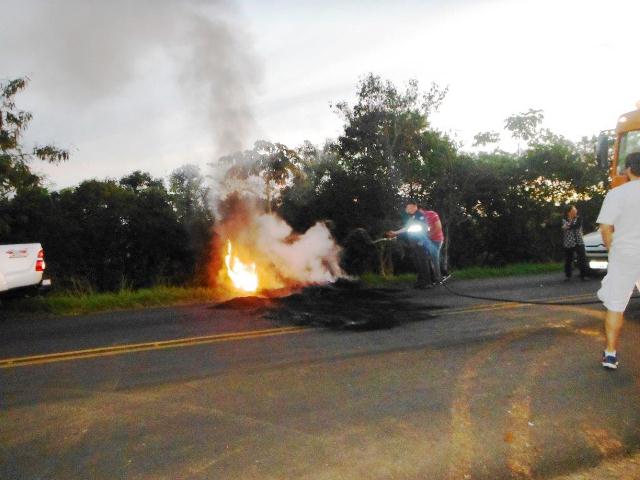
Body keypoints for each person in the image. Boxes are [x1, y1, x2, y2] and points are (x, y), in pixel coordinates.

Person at [596, 152, 640, 370]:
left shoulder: (617, 194)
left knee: (615, 306)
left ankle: (611, 354)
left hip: (624, 255)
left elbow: (605, 228)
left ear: (628, 169)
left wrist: (612, 247)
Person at [386, 200, 433, 288]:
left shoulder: (420, 215)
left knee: (422, 262)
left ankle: (427, 282)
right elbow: (407, 228)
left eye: (408, 207)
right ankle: (420, 281)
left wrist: (421, 241)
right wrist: (395, 233)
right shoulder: (412, 217)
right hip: (414, 243)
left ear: (414, 206)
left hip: (420, 243)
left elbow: (424, 228)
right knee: (417, 262)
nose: (406, 209)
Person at [561, 205, 589, 281]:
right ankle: (568, 276)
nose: (576, 211)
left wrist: (567, 226)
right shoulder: (564, 219)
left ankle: (583, 276)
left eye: (575, 209)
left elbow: (576, 226)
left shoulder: (578, 218)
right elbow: (562, 228)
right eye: (574, 210)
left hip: (579, 241)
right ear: (569, 212)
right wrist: (567, 226)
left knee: (582, 259)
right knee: (568, 260)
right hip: (568, 242)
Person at [421, 206, 446, 282]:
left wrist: (429, 235)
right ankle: (432, 277)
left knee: (434, 258)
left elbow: (438, 227)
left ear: (421, 209)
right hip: (428, 240)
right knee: (427, 258)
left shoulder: (432, 214)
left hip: (437, 240)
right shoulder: (418, 218)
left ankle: (438, 278)